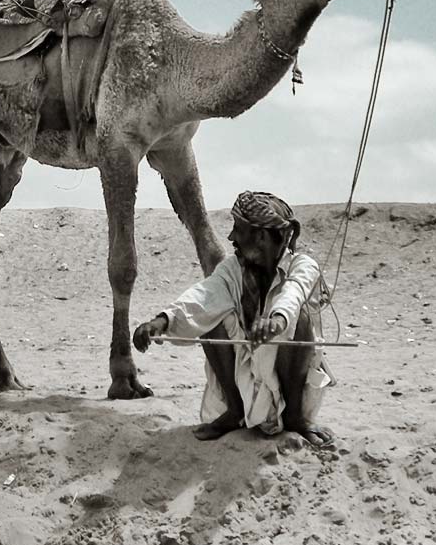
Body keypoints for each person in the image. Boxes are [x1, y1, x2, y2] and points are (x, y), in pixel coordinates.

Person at [133, 191, 334, 446]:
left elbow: (293, 293)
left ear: (260, 236)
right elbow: (204, 297)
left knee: (300, 319)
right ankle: (235, 411)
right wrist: (162, 321)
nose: (231, 237)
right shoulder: (232, 269)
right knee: (211, 314)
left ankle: (295, 417)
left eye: (238, 229)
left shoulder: (303, 265)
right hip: (246, 377)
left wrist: (278, 320)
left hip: (290, 385)